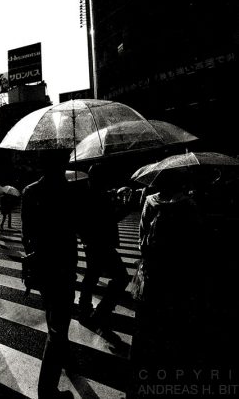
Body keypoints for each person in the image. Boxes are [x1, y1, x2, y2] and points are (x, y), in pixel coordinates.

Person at [128, 171, 206, 397]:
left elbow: (141, 240)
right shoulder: (188, 205)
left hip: (152, 271)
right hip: (177, 273)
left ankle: (141, 370)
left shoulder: (150, 202)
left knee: (146, 323)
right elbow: (197, 243)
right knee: (173, 321)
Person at [21, 151, 78, 399]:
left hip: (42, 265)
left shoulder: (30, 191)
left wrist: (35, 254)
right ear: (62, 164)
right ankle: (46, 390)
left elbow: (26, 234)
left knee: (54, 315)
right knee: (57, 325)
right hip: (63, 264)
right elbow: (79, 227)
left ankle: (62, 356)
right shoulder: (70, 192)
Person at [77, 163, 130, 333]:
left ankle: (85, 310)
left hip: (91, 243)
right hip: (101, 243)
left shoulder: (87, 194)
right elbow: (109, 219)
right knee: (121, 277)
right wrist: (126, 208)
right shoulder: (97, 196)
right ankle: (101, 310)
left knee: (92, 275)